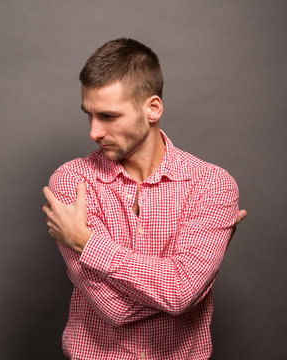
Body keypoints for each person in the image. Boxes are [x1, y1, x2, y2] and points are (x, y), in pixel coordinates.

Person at [42, 38, 246, 360]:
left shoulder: (212, 185)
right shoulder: (71, 182)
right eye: (89, 115)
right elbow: (115, 308)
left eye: (109, 116)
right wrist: (193, 283)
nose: (94, 132)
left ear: (152, 109)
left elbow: (181, 293)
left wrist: (85, 242)